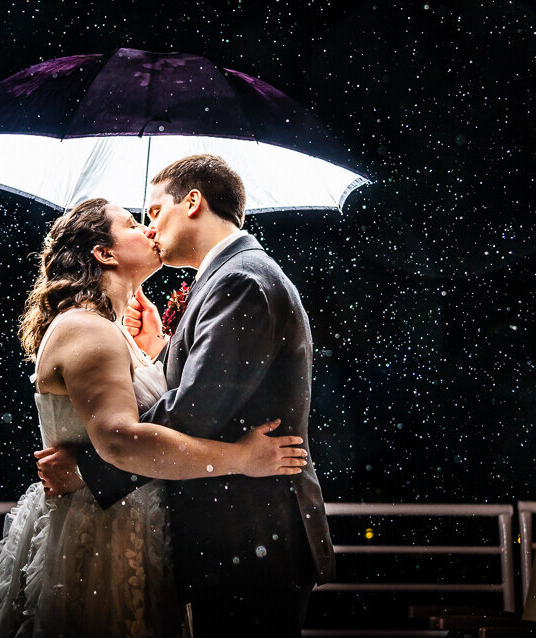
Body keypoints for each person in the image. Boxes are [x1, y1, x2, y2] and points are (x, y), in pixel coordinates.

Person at [0, 197, 308, 638]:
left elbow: (166, 406)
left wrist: (157, 349)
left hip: (130, 528)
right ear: (104, 254)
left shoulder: (112, 330)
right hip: (100, 541)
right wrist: (241, 458)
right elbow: (123, 441)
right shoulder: (88, 328)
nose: (148, 229)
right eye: (132, 223)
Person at [38, 154, 336, 638]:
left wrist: (89, 469)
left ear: (192, 202)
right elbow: (215, 389)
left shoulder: (239, 280)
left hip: (248, 531)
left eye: (153, 212)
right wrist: (161, 349)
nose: (150, 230)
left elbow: (196, 412)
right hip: (239, 534)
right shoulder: (232, 277)